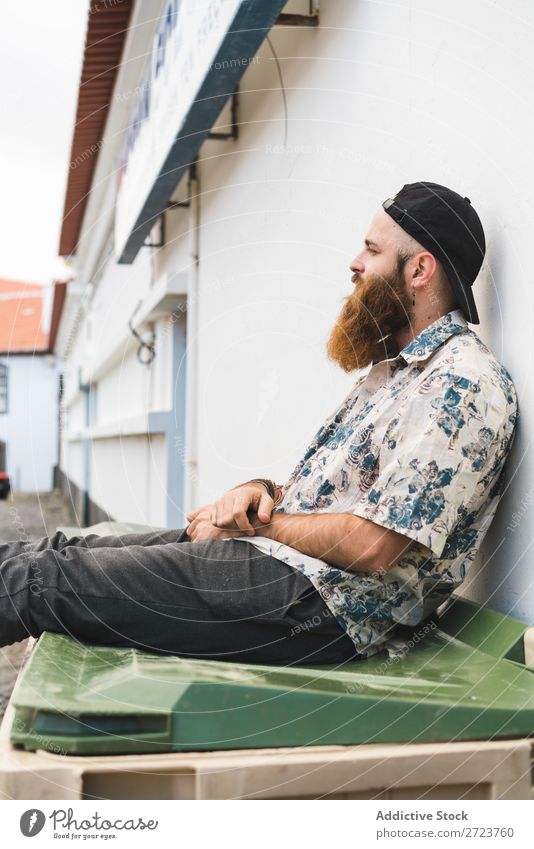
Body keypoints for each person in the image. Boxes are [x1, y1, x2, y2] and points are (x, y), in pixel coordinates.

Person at [0, 182, 518, 666]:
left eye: (372, 250)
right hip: (279, 567)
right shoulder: (394, 374)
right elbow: (337, 499)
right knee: (60, 551)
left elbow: (373, 546)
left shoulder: (462, 384)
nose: (355, 264)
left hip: (319, 607)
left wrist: (258, 524)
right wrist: (260, 492)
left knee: (44, 580)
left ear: (420, 269)